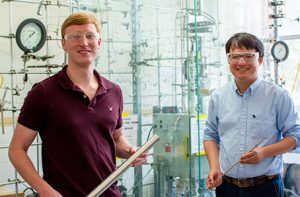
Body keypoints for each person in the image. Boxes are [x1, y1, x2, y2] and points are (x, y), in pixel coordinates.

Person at [8, 12, 147, 197]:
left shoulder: (114, 91)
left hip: (110, 192)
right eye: (75, 36)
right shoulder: (43, 92)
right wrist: (44, 189)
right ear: (63, 43)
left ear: (99, 42)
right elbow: (16, 150)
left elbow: (115, 139)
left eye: (90, 36)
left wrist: (130, 151)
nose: (84, 42)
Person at [203, 32, 300, 197]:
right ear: (228, 60)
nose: (241, 62)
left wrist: (264, 152)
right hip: (227, 187)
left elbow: (295, 137)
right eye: (235, 56)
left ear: (260, 59)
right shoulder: (218, 97)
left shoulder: (278, 96)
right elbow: (210, 135)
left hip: (266, 187)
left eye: (248, 56)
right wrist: (214, 167)